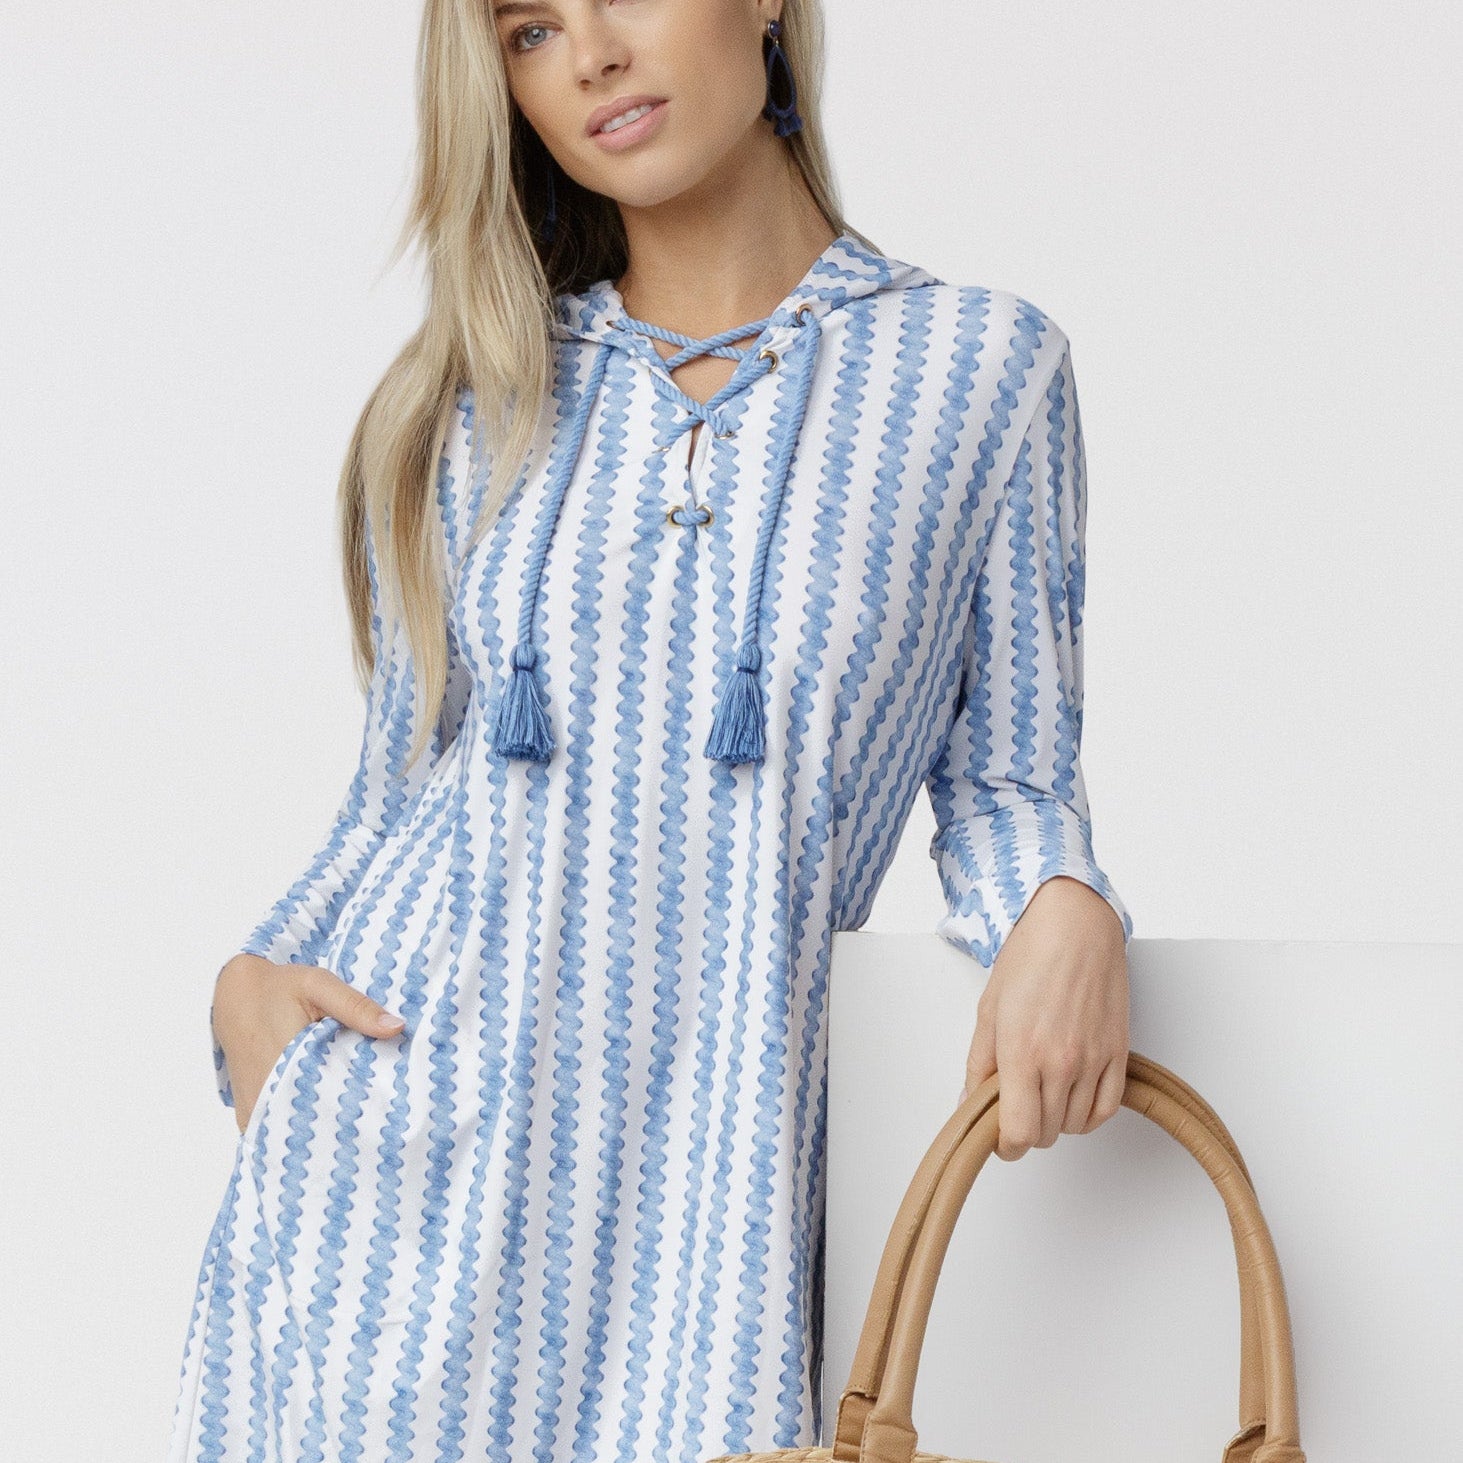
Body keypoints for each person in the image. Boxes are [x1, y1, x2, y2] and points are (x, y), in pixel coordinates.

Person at [168, 2, 1134, 1459]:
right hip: (397, 1215)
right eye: (529, 27)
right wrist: (253, 1003)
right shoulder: (468, 402)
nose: (593, 54)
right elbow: (387, 809)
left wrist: (1063, 900)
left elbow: (1010, 781)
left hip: (715, 1225)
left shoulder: (978, 373)